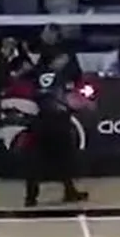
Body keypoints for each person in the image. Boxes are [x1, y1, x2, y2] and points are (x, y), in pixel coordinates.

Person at [24, 55, 90, 208]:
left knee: (37, 159)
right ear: (54, 60)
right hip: (58, 121)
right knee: (65, 158)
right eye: (61, 59)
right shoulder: (61, 77)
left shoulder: (37, 75)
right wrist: (83, 104)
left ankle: (31, 197)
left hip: (41, 120)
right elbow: (68, 99)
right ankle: (69, 192)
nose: (64, 62)